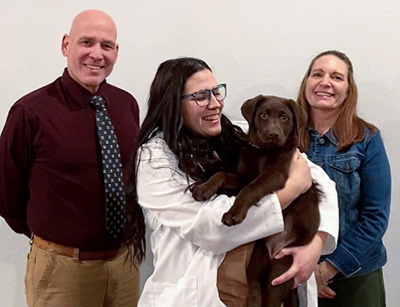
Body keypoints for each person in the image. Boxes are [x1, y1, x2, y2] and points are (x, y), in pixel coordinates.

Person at [126, 57, 338, 307]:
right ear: (173, 104)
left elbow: (320, 181)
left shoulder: (237, 134)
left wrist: (316, 243)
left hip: (262, 285)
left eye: (216, 92)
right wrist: (289, 191)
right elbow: (207, 227)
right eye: (201, 96)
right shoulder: (155, 158)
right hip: (197, 294)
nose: (215, 104)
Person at [0, 9, 145, 307]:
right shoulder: (30, 111)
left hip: (124, 265)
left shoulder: (126, 105)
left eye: (106, 46)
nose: (96, 54)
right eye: (86, 42)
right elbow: (6, 194)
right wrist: (53, 240)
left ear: (116, 52)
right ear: (66, 45)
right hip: (63, 270)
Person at [296, 50, 391, 307]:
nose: (325, 82)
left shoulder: (367, 139)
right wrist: (305, 269)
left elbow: (375, 217)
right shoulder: (284, 138)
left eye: (336, 77)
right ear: (307, 83)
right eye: (317, 74)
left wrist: (327, 269)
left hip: (356, 275)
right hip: (296, 274)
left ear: (348, 90)